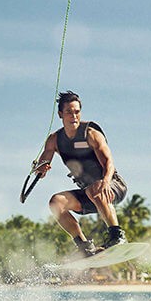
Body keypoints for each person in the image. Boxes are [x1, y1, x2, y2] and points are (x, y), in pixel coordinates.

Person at [33, 91, 128, 257]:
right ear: (60, 114)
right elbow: (41, 167)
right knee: (56, 202)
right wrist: (39, 169)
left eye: (77, 112)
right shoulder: (54, 140)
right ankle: (84, 246)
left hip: (112, 186)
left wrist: (105, 181)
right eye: (69, 112)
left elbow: (109, 162)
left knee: (95, 188)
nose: (74, 116)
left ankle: (117, 236)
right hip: (89, 193)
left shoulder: (90, 134)